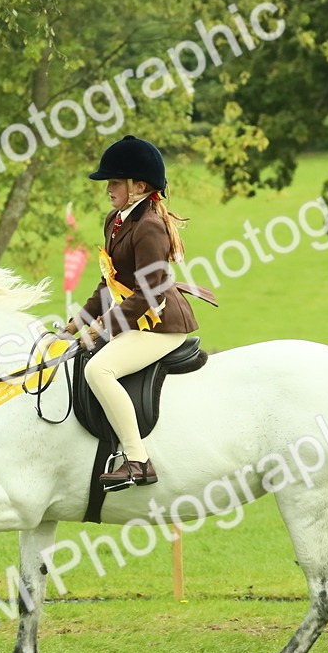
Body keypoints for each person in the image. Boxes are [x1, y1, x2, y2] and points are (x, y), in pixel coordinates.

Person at [63, 135, 210, 491]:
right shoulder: (116, 220)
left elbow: (148, 292)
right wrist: (77, 323)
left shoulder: (149, 228)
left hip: (161, 324)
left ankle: (138, 461)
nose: (108, 189)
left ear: (139, 186)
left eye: (115, 182)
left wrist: (102, 329)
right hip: (139, 318)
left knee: (100, 369)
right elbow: (108, 284)